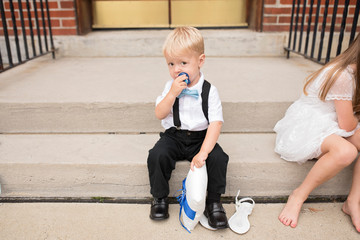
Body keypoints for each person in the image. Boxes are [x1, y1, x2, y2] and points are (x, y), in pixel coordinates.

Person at [274, 34, 360, 232]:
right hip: (307, 126)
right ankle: (299, 195)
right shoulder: (342, 75)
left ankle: (353, 201)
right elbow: (347, 125)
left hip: (332, 121)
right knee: (346, 152)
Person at [147, 26, 229, 229]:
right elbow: (159, 113)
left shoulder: (210, 90)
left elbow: (215, 124)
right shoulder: (170, 86)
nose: (176, 69)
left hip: (201, 137)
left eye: (183, 63)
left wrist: (203, 152)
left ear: (200, 61)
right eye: (171, 64)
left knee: (219, 158)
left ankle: (214, 202)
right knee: (157, 155)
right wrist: (172, 94)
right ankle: (159, 198)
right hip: (174, 135)